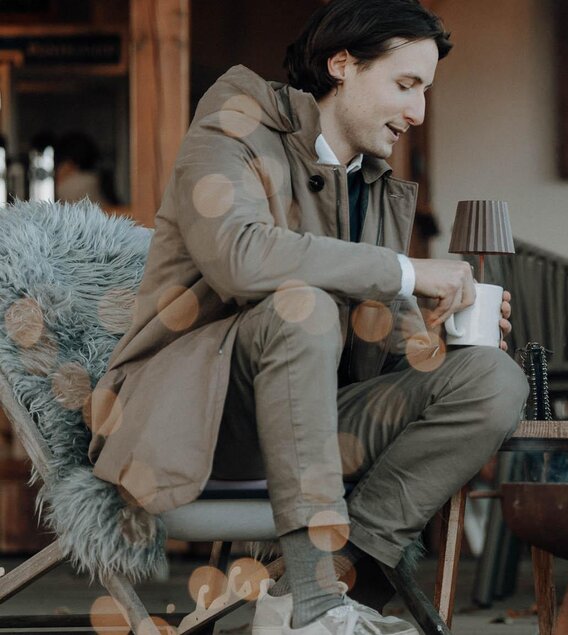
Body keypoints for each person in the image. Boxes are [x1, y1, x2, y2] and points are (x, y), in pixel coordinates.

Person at [88, 1, 527, 633]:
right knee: (304, 310)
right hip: (200, 417)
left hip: (312, 425)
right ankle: (315, 605)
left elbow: (372, 343)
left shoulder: (371, 183)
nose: (418, 113)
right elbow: (240, 257)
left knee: (492, 378)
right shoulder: (229, 128)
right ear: (342, 65)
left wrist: (428, 336)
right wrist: (406, 270)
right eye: (405, 85)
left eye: (426, 91)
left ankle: (326, 583)